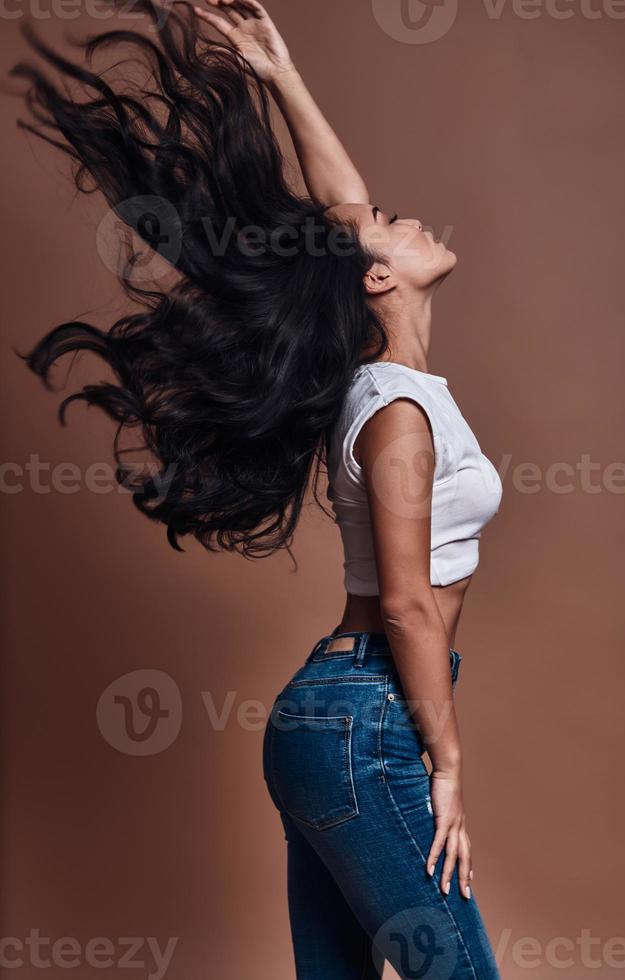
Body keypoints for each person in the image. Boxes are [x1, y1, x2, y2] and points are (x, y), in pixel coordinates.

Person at [14, 0, 503, 975]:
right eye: (393, 226)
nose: (405, 218)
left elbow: (340, 216)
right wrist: (448, 767)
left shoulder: (373, 385)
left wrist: (281, 75)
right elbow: (407, 603)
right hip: (371, 711)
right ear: (375, 282)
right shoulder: (397, 412)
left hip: (336, 715)